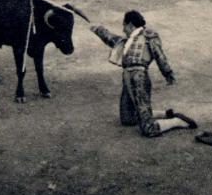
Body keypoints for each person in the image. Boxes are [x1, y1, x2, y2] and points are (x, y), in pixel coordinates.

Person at [82, 9, 197, 137]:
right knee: (127, 119)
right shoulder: (126, 41)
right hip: (126, 78)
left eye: (124, 26)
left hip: (139, 79)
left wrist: (168, 73)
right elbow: (108, 36)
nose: (123, 30)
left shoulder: (149, 36)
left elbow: (159, 55)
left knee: (149, 129)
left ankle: (177, 121)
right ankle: (165, 114)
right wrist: (94, 27)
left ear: (130, 25)